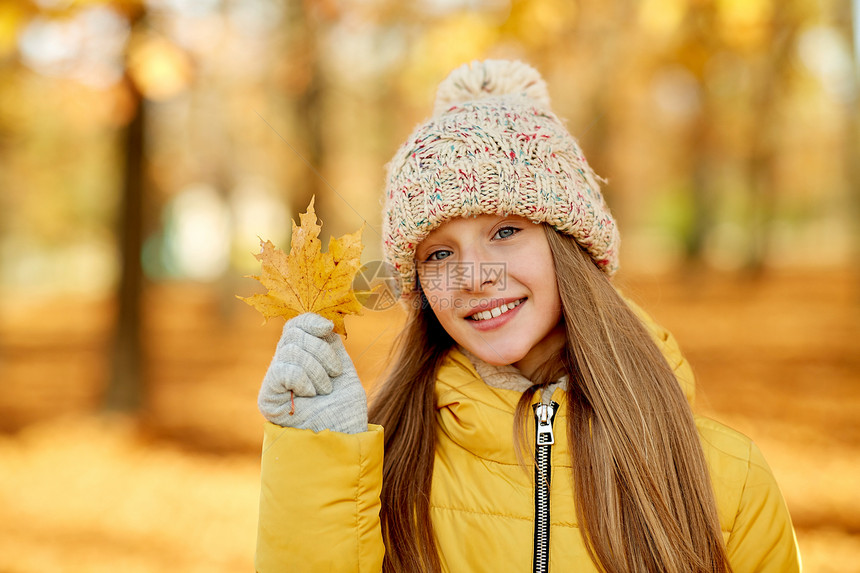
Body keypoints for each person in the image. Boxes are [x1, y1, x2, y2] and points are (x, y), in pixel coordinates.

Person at [254, 60, 801, 572]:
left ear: (571, 246)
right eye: (439, 254)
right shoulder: (387, 462)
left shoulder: (726, 477)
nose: (472, 276)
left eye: (506, 231)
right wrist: (319, 457)